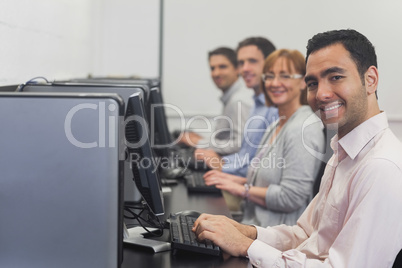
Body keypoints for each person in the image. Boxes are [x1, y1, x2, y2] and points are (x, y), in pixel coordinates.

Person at [192, 29, 402, 267]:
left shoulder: (381, 167)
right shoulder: (342, 154)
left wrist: (247, 247)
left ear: (370, 79)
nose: (321, 93)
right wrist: (247, 233)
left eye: (335, 77)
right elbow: (304, 234)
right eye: (313, 83)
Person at [202, 49, 325, 227]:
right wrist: (235, 181)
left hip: (277, 235)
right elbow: (269, 179)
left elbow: (291, 197)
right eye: (269, 76)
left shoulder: (302, 128)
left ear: (302, 82)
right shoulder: (278, 124)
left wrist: (242, 189)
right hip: (254, 223)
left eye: (284, 76)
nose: (275, 83)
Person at [194, 37, 279, 211]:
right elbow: (249, 156)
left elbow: (268, 171)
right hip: (243, 185)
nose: (245, 69)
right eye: (241, 63)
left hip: (253, 198)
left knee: (199, 210)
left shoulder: (271, 108)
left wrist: (222, 165)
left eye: (252, 61)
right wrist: (224, 165)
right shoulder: (257, 104)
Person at [178, 47, 254, 156]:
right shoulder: (232, 97)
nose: (216, 73)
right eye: (212, 68)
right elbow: (227, 137)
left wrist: (199, 142)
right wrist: (202, 140)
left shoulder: (239, 100)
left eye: (222, 67)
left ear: (238, 69)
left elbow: (239, 144)